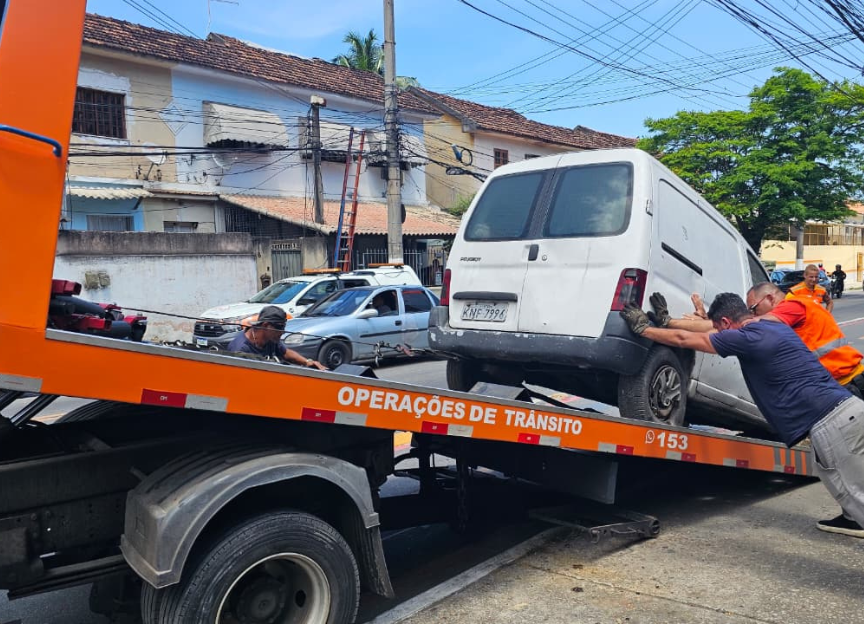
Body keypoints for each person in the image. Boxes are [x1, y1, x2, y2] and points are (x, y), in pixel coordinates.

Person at [621, 292, 864, 538]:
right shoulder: (772, 324)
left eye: (719, 328)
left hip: (832, 424)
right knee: (851, 494)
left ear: (726, 324)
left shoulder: (747, 339)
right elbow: (706, 328)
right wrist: (670, 321)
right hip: (850, 409)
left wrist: (644, 329)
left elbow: (685, 339)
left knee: (855, 499)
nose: (719, 333)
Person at [227, 305, 326, 370]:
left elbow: (285, 353)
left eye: (284, 327)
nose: (282, 332)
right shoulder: (240, 349)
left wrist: (307, 362)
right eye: (279, 327)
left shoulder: (270, 339)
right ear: (265, 325)